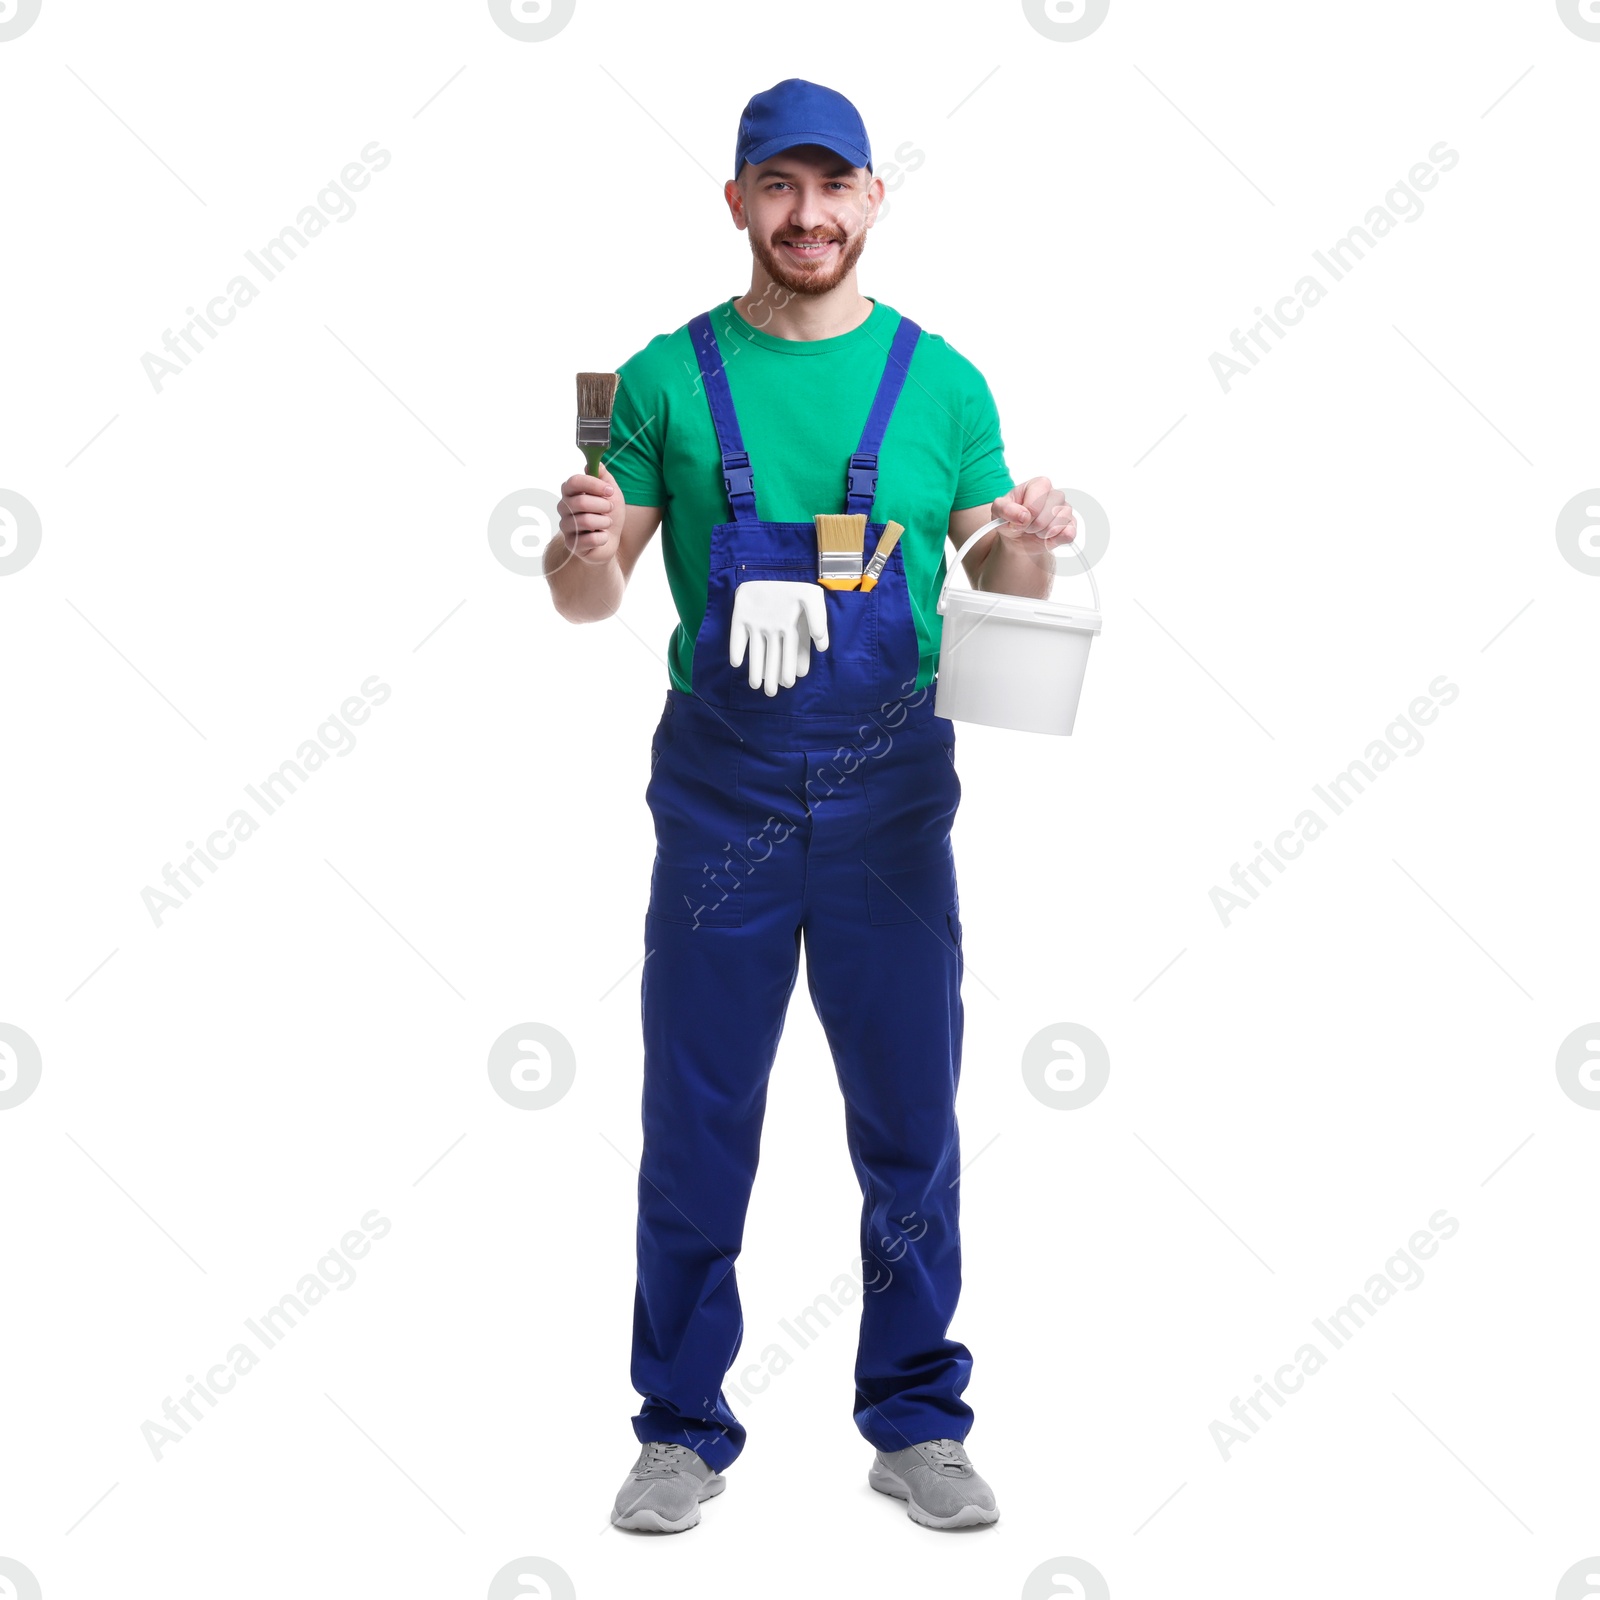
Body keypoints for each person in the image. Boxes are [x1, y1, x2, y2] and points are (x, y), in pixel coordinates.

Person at [549, 77, 1078, 1534]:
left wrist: (1028, 543)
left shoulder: (942, 382)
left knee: (909, 1115)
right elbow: (590, 604)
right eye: (777, 186)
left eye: (832, 185)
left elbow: (1002, 589)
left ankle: (916, 1419)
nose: (807, 214)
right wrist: (581, 540)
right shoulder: (664, 379)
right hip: (719, 804)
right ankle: (679, 1430)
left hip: (891, 808)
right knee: (700, 1112)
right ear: (735, 202)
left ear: (872, 199)